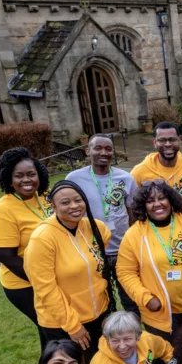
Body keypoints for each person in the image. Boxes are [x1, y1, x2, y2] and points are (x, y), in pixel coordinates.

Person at [24, 180, 114, 364]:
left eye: (78, 200)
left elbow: (97, 260)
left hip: (97, 313)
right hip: (63, 323)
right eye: (65, 202)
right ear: (53, 207)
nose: (74, 206)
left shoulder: (95, 227)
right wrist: (73, 326)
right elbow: (45, 290)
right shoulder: (42, 238)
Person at [117, 180, 182, 341]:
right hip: (159, 315)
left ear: (170, 200)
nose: (157, 204)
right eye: (150, 201)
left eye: (162, 198)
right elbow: (125, 272)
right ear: (143, 206)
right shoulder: (134, 234)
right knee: (167, 359)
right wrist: (146, 298)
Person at [0, 147, 52, 353]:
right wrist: (42, 279)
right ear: (9, 178)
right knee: (54, 328)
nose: (27, 180)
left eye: (31, 174)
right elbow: (6, 257)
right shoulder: (2, 210)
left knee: (50, 334)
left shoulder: (45, 197)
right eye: (19, 176)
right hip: (24, 284)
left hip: (50, 277)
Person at [66, 134, 139, 314]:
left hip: (123, 251)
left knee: (130, 299)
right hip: (92, 253)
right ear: (87, 150)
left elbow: (134, 214)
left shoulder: (126, 178)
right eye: (98, 148)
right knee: (100, 301)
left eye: (108, 149)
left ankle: (134, 335)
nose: (103, 152)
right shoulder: (74, 179)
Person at [131, 122, 182, 210]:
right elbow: (132, 205)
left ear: (179, 140)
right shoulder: (139, 172)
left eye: (172, 139)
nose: (168, 144)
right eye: (162, 140)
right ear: (155, 142)